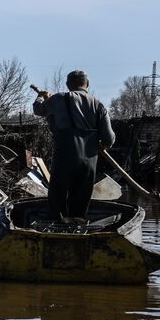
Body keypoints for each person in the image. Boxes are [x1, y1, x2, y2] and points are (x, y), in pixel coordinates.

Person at [33, 71, 115, 223]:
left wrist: (41, 97)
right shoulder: (99, 105)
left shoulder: (58, 99)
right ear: (87, 84)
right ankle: (77, 228)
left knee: (59, 196)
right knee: (81, 198)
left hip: (65, 156)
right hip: (89, 160)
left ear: (68, 85)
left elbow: (38, 110)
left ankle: (57, 229)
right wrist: (100, 146)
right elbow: (109, 138)